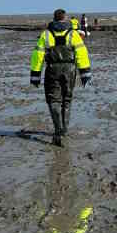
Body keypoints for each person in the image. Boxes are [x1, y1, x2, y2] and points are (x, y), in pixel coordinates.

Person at [29, 9, 92, 145]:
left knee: (53, 100)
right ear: (65, 18)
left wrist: (35, 75)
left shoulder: (45, 34)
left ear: (54, 19)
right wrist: (85, 73)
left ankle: (59, 131)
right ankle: (63, 131)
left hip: (52, 70)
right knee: (67, 100)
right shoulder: (73, 34)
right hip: (69, 70)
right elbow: (82, 52)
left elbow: (38, 55)